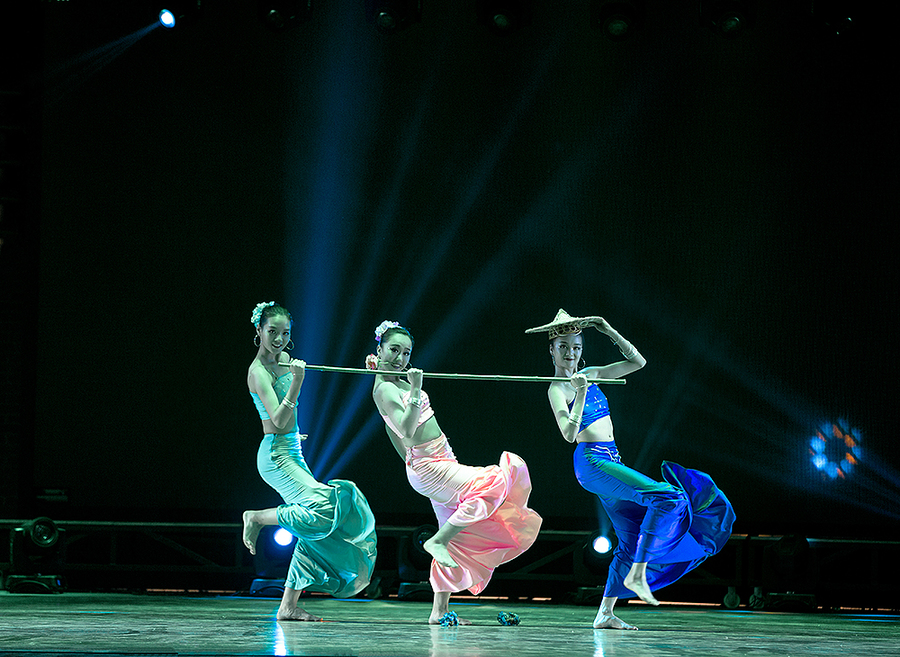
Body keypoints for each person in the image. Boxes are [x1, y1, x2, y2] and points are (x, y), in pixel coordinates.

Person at [526, 309, 735, 630]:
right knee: (669, 498)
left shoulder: (593, 372)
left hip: (612, 459)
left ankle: (605, 613)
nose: (571, 353)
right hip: (593, 462)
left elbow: (638, 362)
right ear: (551, 349)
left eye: (577, 347)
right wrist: (579, 391)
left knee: (630, 538)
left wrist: (606, 328)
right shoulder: (556, 388)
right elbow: (569, 435)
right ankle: (638, 573)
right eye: (564, 347)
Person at [368, 321, 542, 625]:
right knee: (496, 480)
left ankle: (439, 611)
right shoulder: (384, 389)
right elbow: (407, 429)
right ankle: (437, 539)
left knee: (458, 541)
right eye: (393, 350)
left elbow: (400, 438)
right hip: (431, 467)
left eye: (406, 352)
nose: (400, 357)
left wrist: (403, 384)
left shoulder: (391, 381)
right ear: (379, 349)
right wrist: (415, 390)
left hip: (437, 461)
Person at [241, 301, 377, 621]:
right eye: (272, 331)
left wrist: (371, 364)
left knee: (318, 526)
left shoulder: (286, 360)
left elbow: (290, 421)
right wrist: (298, 383)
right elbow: (276, 419)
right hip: (274, 455)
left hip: (291, 450)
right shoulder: (257, 372)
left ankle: (288, 606)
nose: (278, 339)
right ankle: (257, 517)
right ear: (259, 330)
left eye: (285, 333)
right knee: (326, 507)